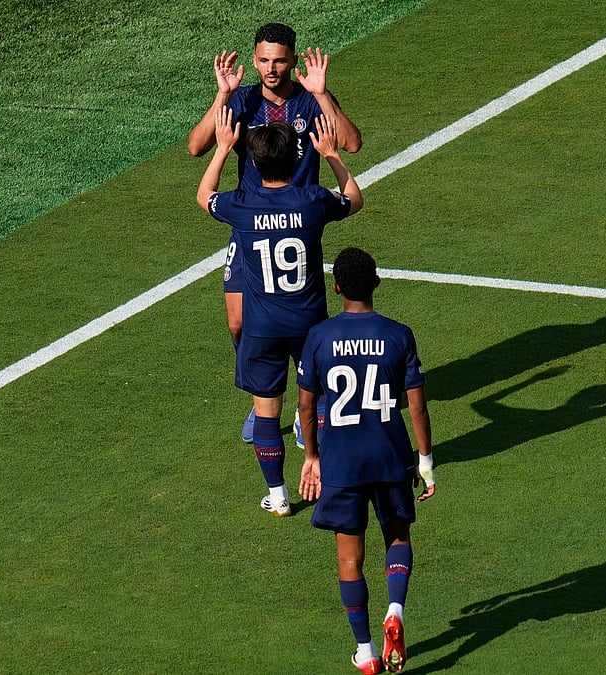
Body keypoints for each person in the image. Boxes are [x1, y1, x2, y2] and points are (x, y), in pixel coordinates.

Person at [188, 22, 362, 444]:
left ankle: (313, 408)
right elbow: (196, 147)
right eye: (264, 60)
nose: (272, 68)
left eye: (280, 60)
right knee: (237, 321)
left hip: (298, 221)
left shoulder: (310, 99)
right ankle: (262, 398)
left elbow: (352, 144)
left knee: (304, 323)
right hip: (249, 222)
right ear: (254, 59)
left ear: (292, 59)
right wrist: (222, 95)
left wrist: (322, 94)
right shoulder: (242, 101)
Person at [197, 107, 362, 517]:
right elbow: (354, 199)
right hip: (310, 327)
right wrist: (331, 156)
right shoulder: (313, 200)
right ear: (297, 157)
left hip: (262, 329)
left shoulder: (243, 205)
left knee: (266, 412)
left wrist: (222, 150)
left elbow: (204, 196)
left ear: (253, 162)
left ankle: (279, 494)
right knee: (319, 402)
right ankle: (326, 474)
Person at [296, 247, 435, 673]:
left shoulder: (319, 337)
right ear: (376, 282)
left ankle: (366, 650)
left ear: (335, 288)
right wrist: (425, 460)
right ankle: (395, 608)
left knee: (349, 559)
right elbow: (417, 407)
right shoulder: (399, 334)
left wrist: (311, 456)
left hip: (342, 462)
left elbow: (305, 407)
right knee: (397, 536)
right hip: (390, 455)